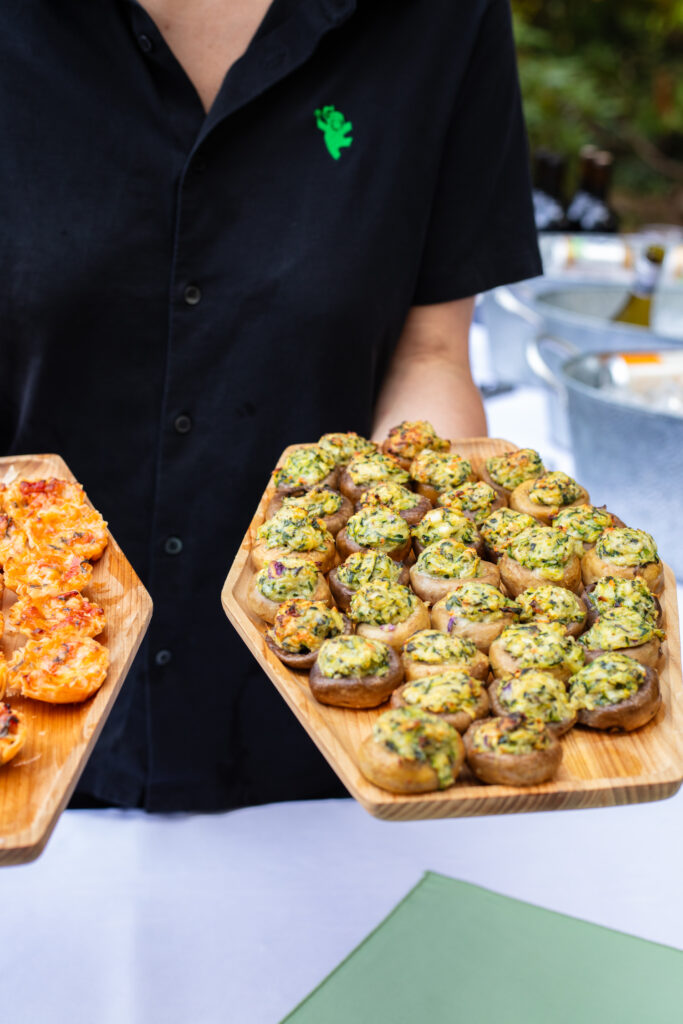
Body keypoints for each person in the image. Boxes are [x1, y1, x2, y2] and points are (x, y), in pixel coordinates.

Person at [0, 0, 541, 811]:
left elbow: (427, 355)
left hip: (323, 737)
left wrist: (427, 601)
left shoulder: (441, 18)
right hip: (24, 719)